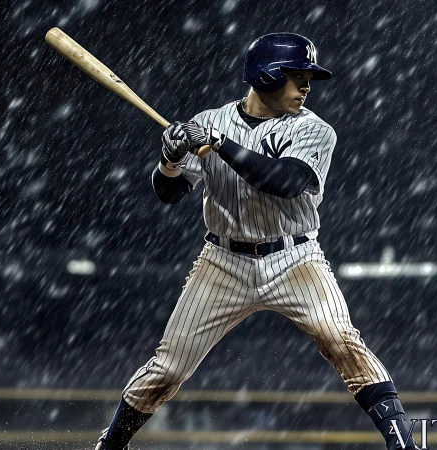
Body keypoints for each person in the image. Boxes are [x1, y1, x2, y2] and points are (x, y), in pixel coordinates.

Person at [94, 32, 418, 450]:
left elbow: (283, 181)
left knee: (342, 341)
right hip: (222, 261)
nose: (306, 86)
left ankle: (403, 443)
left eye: (307, 78)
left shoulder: (315, 130)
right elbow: (168, 194)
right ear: (265, 77)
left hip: (295, 258)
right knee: (168, 369)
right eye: (297, 76)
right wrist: (170, 160)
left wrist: (220, 144)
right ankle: (110, 445)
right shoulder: (209, 121)